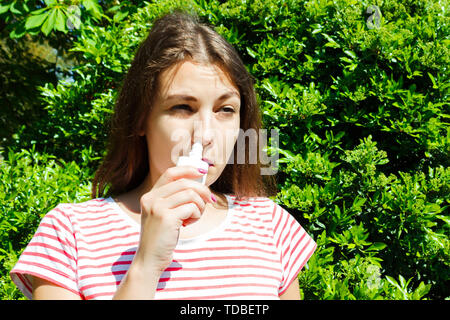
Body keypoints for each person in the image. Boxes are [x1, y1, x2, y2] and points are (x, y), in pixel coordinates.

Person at [10, 11, 316, 300]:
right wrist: (145, 264)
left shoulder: (270, 224)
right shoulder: (69, 233)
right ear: (141, 118)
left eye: (226, 110)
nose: (206, 135)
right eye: (183, 107)